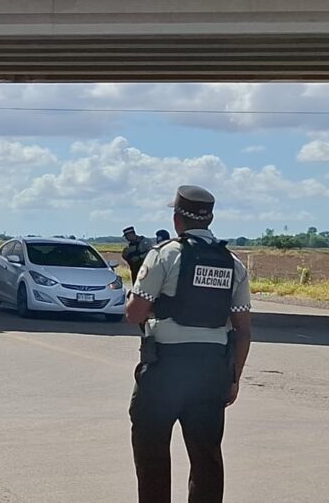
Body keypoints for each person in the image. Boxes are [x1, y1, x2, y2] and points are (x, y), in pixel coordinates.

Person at [125, 185, 253, 503]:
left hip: (165, 370)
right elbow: (243, 330)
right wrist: (233, 378)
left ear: (176, 218)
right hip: (211, 372)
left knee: (152, 453)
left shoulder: (165, 254)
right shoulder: (232, 263)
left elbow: (134, 313)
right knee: (206, 459)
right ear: (209, 218)